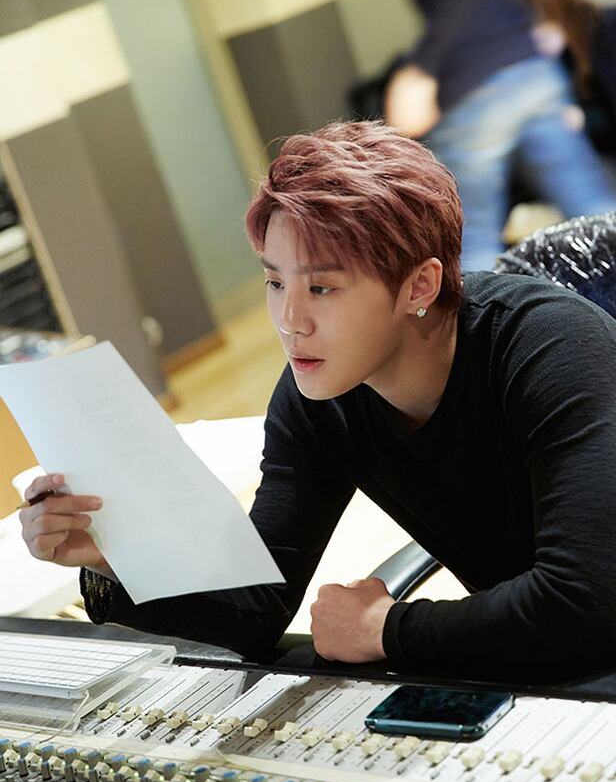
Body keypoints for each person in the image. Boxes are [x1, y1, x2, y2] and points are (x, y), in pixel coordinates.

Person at [20, 122, 616, 676]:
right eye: (275, 281)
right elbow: (255, 610)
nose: (290, 320)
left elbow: (587, 602)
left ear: (420, 285)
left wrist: (387, 629)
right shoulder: (317, 398)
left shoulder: (550, 345)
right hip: (546, 665)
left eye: (322, 287)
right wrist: (115, 555)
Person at [385, 0, 616, 272]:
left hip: (475, 83)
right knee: (597, 217)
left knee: (471, 245)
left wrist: (421, 70)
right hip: (529, 69)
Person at [519, 0, 616, 158]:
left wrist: (583, 119)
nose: (539, 50)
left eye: (542, 39)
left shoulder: (608, 32)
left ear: (558, 16)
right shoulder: (566, 52)